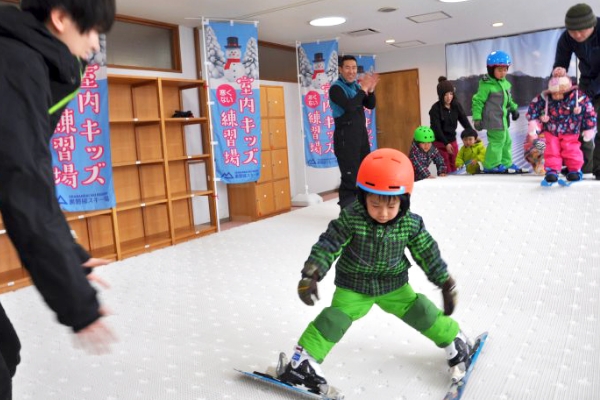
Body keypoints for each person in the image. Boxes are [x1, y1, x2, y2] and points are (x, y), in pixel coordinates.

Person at [271, 148, 472, 397]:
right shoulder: (351, 218)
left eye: (391, 205)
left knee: (420, 310)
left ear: (404, 199)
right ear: (363, 197)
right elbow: (329, 244)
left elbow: (427, 252)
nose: (383, 213)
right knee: (335, 318)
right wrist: (311, 274)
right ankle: (302, 363)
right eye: (375, 204)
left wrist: (444, 282)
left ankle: (455, 339)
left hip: (394, 285)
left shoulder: (410, 223)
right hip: (353, 285)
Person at [0, 1, 117, 398]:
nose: (92, 46)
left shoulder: (29, 58)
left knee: (5, 352)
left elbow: (27, 174)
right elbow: (22, 182)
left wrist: (70, 254)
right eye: (90, 32)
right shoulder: (15, 61)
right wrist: (77, 303)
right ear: (61, 17)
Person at [552, 3, 600, 178]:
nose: (578, 35)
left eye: (582, 31)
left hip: (595, 84)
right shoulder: (567, 38)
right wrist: (559, 71)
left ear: (592, 24)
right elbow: (560, 62)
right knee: (578, 124)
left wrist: (591, 91)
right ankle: (581, 165)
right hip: (586, 82)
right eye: (573, 32)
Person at [526, 75, 597, 184]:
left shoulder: (578, 98)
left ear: (567, 90)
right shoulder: (546, 98)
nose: (557, 95)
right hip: (551, 130)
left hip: (570, 130)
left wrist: (589, 128)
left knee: (572, 150)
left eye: (560, 93)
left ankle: (574, 169)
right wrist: (533, 122)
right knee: (552, 150)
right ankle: (552, 170)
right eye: (554, 93)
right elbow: (533, 107)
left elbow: (589, 111)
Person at [330, 55, 379, 209]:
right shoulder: (336, 88)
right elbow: (350, 107)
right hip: (345, 139)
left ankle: (361, 209)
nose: (352, 71)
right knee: (350, 178)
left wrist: (370, 91)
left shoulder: (357, 88)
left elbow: (370, 105)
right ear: (340, 69)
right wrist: (363, 89)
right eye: (347, 67)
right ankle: (347, 214)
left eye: (354, 68)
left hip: (361, 137)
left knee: (364, 174)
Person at [472, 50, 522, 174]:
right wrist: (477, 118)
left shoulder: (505, 84)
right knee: (497, 141)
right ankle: (491, 165)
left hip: (503, 120)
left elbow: (509, 99)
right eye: (499, 70)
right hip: (493, 119)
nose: (503, 73)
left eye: (505, 69)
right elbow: (477, 102)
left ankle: (506, 163)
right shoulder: (487, 85)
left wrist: (514, 108)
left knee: (507, 140)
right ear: (491, 69)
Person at [429, 76, 475, 173]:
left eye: (451, 94)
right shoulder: (435, 109)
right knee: (445, 168)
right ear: (441, 95)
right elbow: (437, 129)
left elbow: (464, 120)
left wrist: (472, 134)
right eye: (446, 95)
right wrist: (446, 143)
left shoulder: (456, 105)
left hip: (452, 141)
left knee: (455, 165)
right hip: (440, 142)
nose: (449, 97)